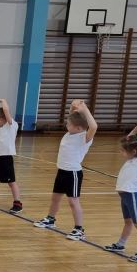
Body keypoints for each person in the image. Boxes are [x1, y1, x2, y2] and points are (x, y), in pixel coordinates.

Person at [34, 100, 98, 240]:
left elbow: (93, 126)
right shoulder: (70, 133)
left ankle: (79, 229)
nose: (66, 125)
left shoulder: (85, 138)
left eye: (69, 124)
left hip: (73, 173)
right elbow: (73, 117)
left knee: (73, 202)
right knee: (55, 198)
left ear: (79, 128)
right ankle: (50, 219)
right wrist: (73, 106)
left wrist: (85, 109)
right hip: (62, 171)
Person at [105, 130, 137, 262]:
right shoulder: (131, 159)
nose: (120, 152)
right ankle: (120, 244)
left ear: (134, 151)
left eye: (123, 151)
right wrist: (136, 130)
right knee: (128, 222)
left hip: (132, 194)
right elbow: (129, 139)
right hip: (125, 196)